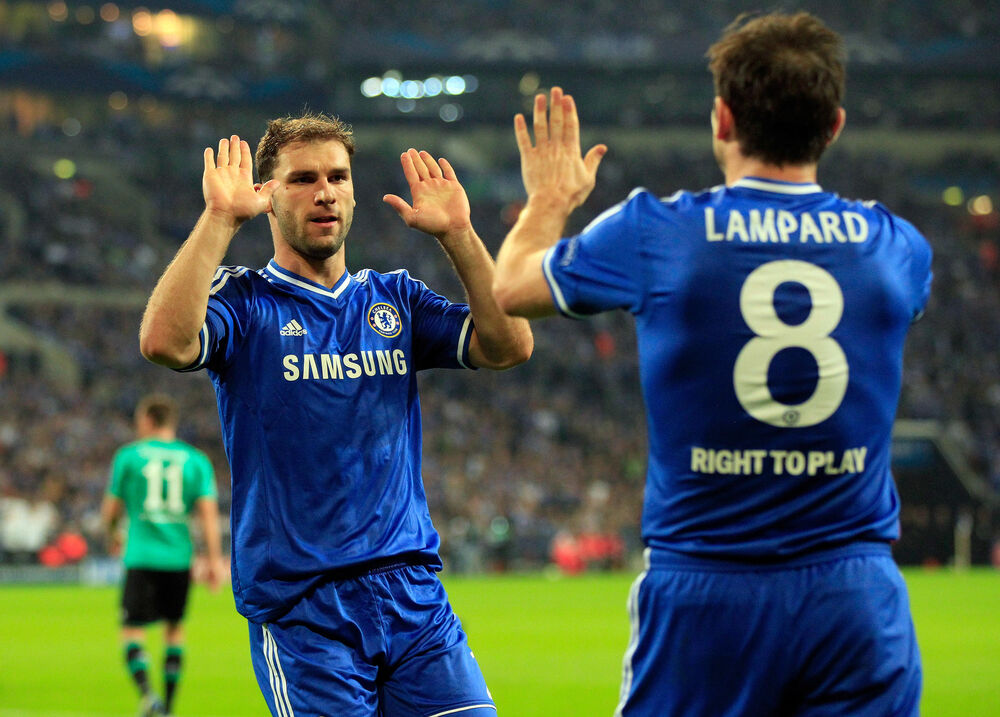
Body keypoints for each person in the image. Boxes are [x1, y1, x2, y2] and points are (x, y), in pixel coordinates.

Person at [493, 12, 930, 717]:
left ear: (722, 119)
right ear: (834, 126)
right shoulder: (897, 247)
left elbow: (509, 288)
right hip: (856, 600)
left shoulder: (658, 232)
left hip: (707, 591)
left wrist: (550, 199)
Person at [138, 112, 532, 716]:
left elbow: (510, 345)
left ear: (352, 191)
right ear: (268, 196)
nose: (324, 191)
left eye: (337, 177)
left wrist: (459, 234)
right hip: (306, 613)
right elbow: (164, 342)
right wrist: (219, 219)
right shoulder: (245, 303)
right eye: (302, 179)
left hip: (415, 601)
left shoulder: (395, 299)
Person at [101, 393, 224, 717]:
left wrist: (113, 535)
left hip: (141, 555)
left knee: (132, 630)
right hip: (178, 558)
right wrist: (213, 560)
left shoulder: (129, 456)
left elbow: (110, 510)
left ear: (147, 420)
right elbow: (208, 515)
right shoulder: (196, 459)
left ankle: (147, 694)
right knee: (174, 630)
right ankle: (168, 707)